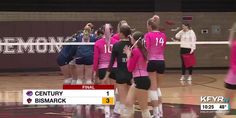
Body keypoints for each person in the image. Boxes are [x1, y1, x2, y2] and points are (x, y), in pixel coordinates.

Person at [104, 24, 133, 116]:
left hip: (120, 75)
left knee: (123, 101)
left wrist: (106, 75)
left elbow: (111, 62)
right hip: (131, 74)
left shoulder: (116, 45)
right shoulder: (132, 44)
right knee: (130, 100)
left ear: (121, 33)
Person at [123, 31, 151, 118]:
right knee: (128, 103)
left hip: (141, 80)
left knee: (144, 110)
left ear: (135, 40)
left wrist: (128, 55)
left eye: (131, 38)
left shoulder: (135, 51)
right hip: (141, 79)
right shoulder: (144, 50)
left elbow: (130, 68)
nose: (130, 39)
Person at [145, 15, 167, 118]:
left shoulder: (148, 35)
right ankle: (160, 111)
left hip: (152, 61)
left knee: (152, 88)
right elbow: (163, 47)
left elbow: (147, 49)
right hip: (161, 62)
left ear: (150, 26)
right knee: (158, 87)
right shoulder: (163, 35)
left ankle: (156, 113)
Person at [224, 22, 236, 110]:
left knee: (228, 95)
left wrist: (232, 29)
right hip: (233, 75)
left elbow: (230, 38)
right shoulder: (234, 44)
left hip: (233, 75)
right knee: (228, 95)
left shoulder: (233, 44)